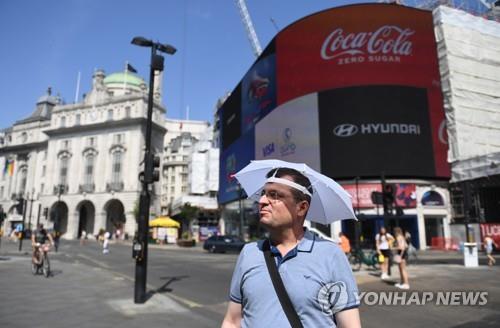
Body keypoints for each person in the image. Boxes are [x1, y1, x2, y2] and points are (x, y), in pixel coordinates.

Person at [222, 167, 360, 328]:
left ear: (301, 207)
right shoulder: (249, 253)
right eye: (264, 194)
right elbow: (232, 321)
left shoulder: (331, 255)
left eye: (275, 195)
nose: (262, 201)